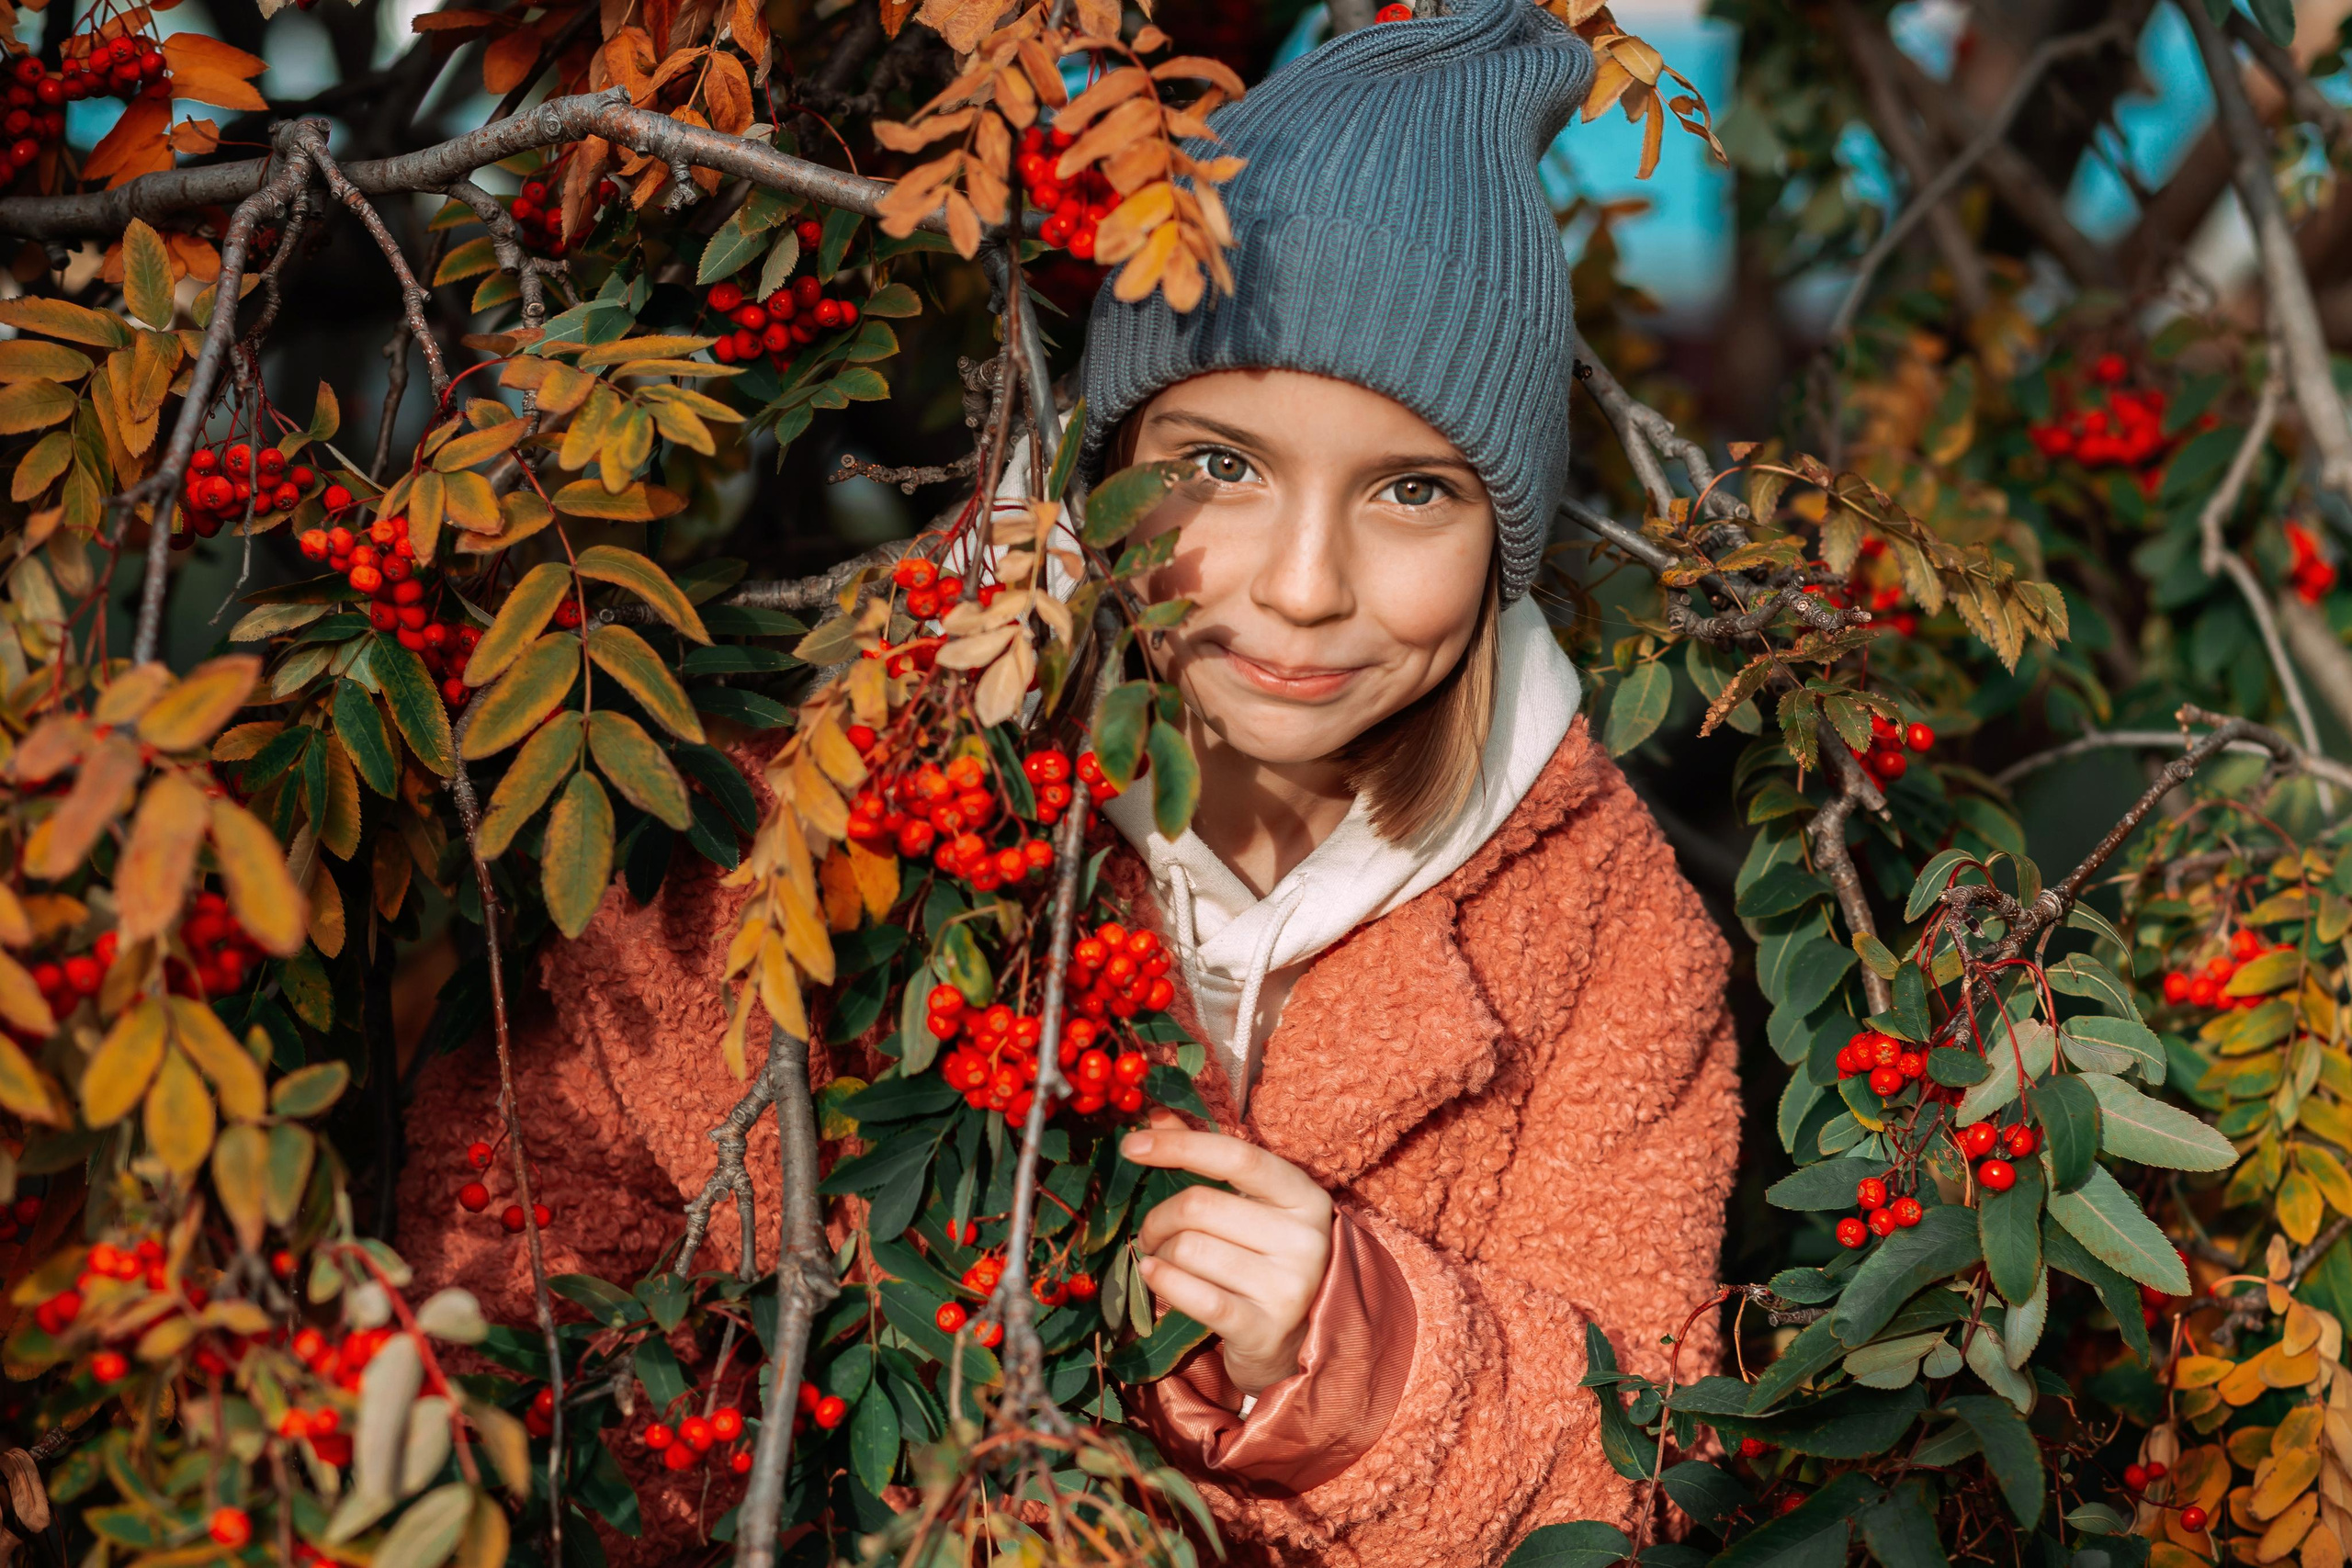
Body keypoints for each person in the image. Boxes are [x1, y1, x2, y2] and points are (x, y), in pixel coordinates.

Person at [398, 1, 1736, 1561]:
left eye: (1413, 491)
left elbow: (1648, 1469)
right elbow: (519, 1285)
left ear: (1503, 540)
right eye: (1221, 466)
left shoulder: (1608, 935)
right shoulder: (822, 808)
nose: (1304, 585)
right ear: (1102, 462)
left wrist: (1366, 1362)